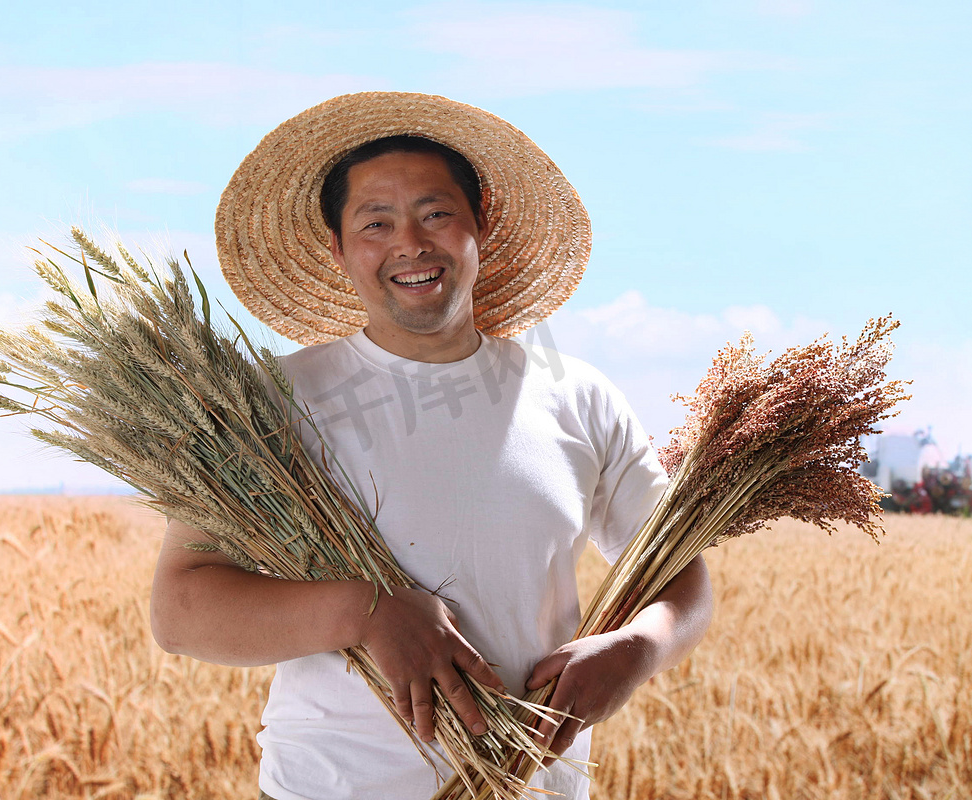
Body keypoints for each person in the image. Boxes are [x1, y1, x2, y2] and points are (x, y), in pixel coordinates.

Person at [150, 92, 713, 800]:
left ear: (482, 225)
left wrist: (636, 651)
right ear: (338, 249)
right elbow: (180, 612)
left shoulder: (578, 394)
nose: (410, 244)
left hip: (536, 789)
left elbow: (682, 578)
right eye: (375, 222)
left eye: (436, 213)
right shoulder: (265, 404)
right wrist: (367, 612)